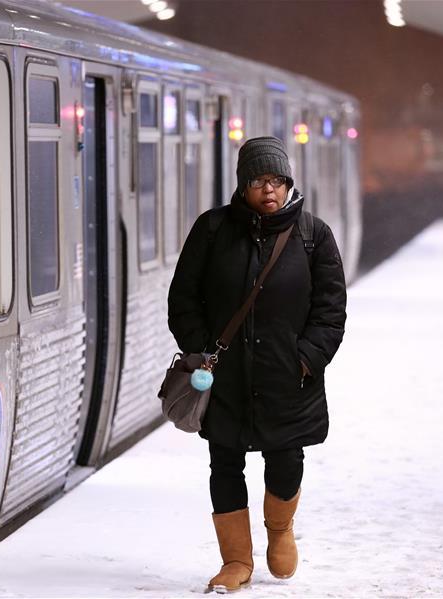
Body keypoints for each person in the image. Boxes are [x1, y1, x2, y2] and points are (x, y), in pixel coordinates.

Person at [167, 136, 347, 592]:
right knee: (223, 464)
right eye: (257, 181)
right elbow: (183, 299)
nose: (268, 190)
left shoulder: (313, 236)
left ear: (288, 184)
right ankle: (236, 562)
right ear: (242, 187)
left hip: (289, 379)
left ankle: (280, 531)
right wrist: (201, 349)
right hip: (225, 378)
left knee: (285, 459)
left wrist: (305, 360)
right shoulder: (212, 230)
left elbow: (331, 310)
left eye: (276, 180)